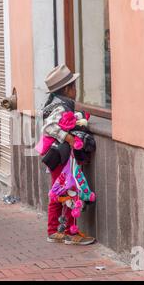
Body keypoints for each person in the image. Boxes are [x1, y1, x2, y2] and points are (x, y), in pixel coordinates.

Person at [40, 64, 96, 245]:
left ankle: (56, 230)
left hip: (57, 153)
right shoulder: (61, 107)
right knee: (69, 190)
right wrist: (69, 138)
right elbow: (48, 127)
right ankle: (69, 232)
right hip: (60, 153)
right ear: (66, 89)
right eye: (73, 86)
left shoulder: (56, 103)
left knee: (62, 189)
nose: (76, 90)